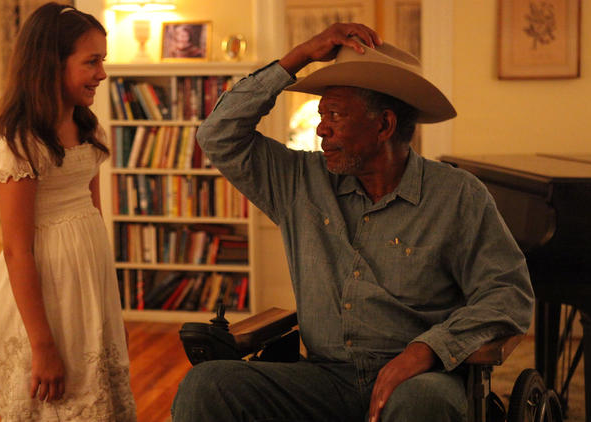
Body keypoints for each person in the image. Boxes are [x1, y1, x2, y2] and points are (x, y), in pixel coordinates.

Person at [171, 23, 534, 422]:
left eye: (335, 115)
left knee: (421, 403)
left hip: (422, 377)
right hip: (323, 379)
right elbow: (217, 135)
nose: (320, 128)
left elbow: (508, 294)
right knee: (206, 384)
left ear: (384, 126)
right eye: (321, 115)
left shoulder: (457, 195)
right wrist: (300, 56)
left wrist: (427, 349)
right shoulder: (299, 182)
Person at [0, 3, 136, 420]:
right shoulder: (22, 145)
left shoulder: (89, 130)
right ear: (51, 64)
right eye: (92, 62)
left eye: (103, 60)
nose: (102, 73)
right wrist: (42, 345)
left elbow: (94, 211)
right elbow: (16, 251)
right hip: (45, 291)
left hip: (86, 278)